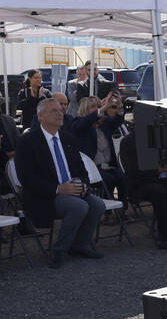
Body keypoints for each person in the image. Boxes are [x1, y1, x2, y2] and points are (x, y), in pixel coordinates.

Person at [14, 98, 105, 268]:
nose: (60, 113)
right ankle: (58, 250)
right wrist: (58, 189)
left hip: (73, 189)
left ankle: (80, 245)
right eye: (54, 111)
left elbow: (81, 169)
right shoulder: (28, 141)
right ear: (40, 116)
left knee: (98, 205)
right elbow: (26, 178)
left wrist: (84, 184)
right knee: (79, 207)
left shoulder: (67, 138)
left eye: (61, 110)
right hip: (46, 196)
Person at [69, 93, 126, 203]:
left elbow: (118, 121)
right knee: (110, 180)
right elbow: (84, 123)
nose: (98, 109)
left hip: (108, 166)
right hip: (91, 169)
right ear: (85, 109)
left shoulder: (103, 123)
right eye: (93, 107)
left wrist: (119, 106)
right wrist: (102, 109)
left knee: (122, 178)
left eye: (99, 106)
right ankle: (107, 212)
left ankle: (123, 209)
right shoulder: (79, 122)